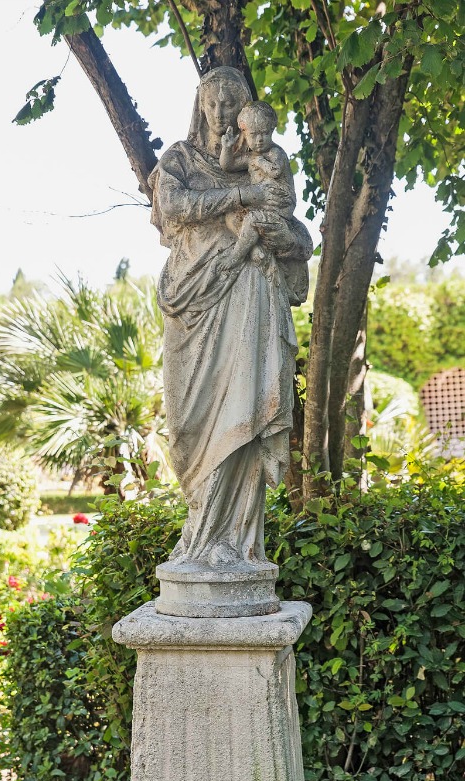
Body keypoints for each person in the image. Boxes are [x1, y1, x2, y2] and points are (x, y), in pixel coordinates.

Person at [149, 67, 312, 569]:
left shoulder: (264, 161)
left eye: (230, 103)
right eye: (212, 102)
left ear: (245, 110)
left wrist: (280, 235)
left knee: (245, 408)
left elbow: (300, 239)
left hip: (249, 300)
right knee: (188, 424)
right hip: (192, 299)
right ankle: (198, 532)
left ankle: (232, 542)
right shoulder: (178, 159)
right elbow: (173, 206)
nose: (220, 112)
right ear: (199, 105)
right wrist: (243, 196)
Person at [219, 100, 296, 273]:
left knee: (253, 220)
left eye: (265, 133)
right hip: (263, 204)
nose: (260, 140)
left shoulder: (276, 153)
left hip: (280, 206)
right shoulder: (252, 156)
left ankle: (236, 256)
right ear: (244, 134)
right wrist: (227, 148)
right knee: (233, 214)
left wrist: (259, 161)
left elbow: (275, 171)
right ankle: (255, 250)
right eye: (254, 135)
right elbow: (228, 166)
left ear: (272, 131)